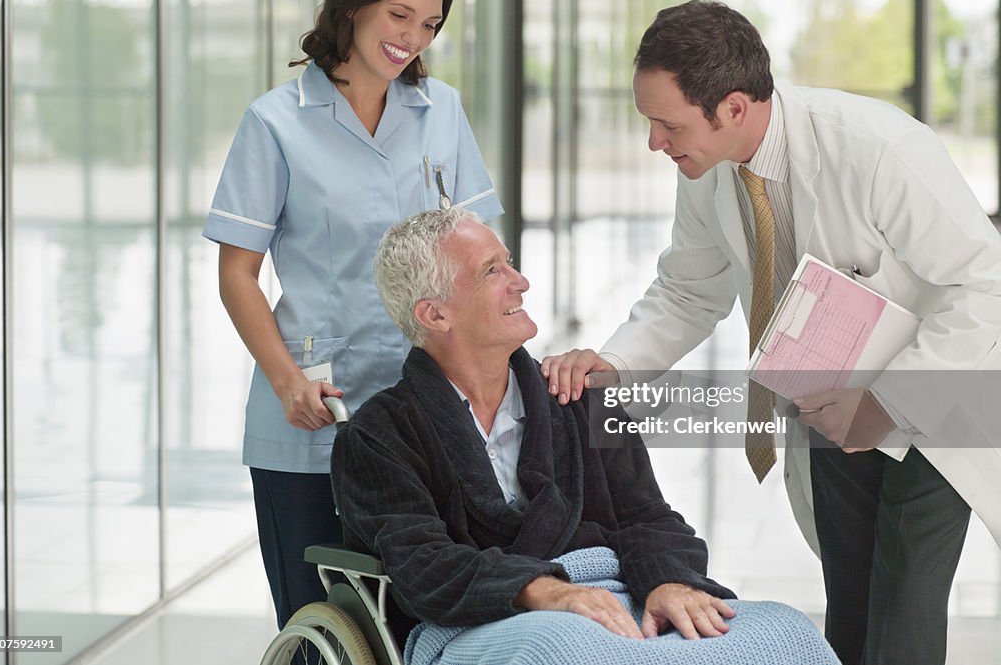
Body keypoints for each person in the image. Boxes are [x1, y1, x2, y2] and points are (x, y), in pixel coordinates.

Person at [541, 0, 1001, 665]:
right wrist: (613, 365)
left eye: (666, 124)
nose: (654, 143)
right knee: (850, 594)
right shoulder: (707, 169)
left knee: (903, 598)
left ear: (732, 106)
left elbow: (985, 282)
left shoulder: (877, 149)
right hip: (825, 397)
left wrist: (885, 404)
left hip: (929, 394)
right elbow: (689, 289)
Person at [331, 207, 840, 665]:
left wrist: (668, 580)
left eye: (510, 263)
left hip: (616, 591)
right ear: (434, 314)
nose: (521, 281)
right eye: (493, 271)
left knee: (784, 632)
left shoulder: (577, 398)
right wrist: (545, 591)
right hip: (483, 619)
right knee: (567, 652)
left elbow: (646, 515)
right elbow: (422, 562)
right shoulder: (379, 435)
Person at [202, 0, 502, 631]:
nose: (412, 37)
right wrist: (285, 380)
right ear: (355, 2)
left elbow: (482, 253)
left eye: (429, 23)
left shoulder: (442, 111)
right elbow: (237, 272)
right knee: (319, 621)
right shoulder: (276, 121)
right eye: (399, 14)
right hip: (312, 412)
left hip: (425, 411)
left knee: (416, 623)